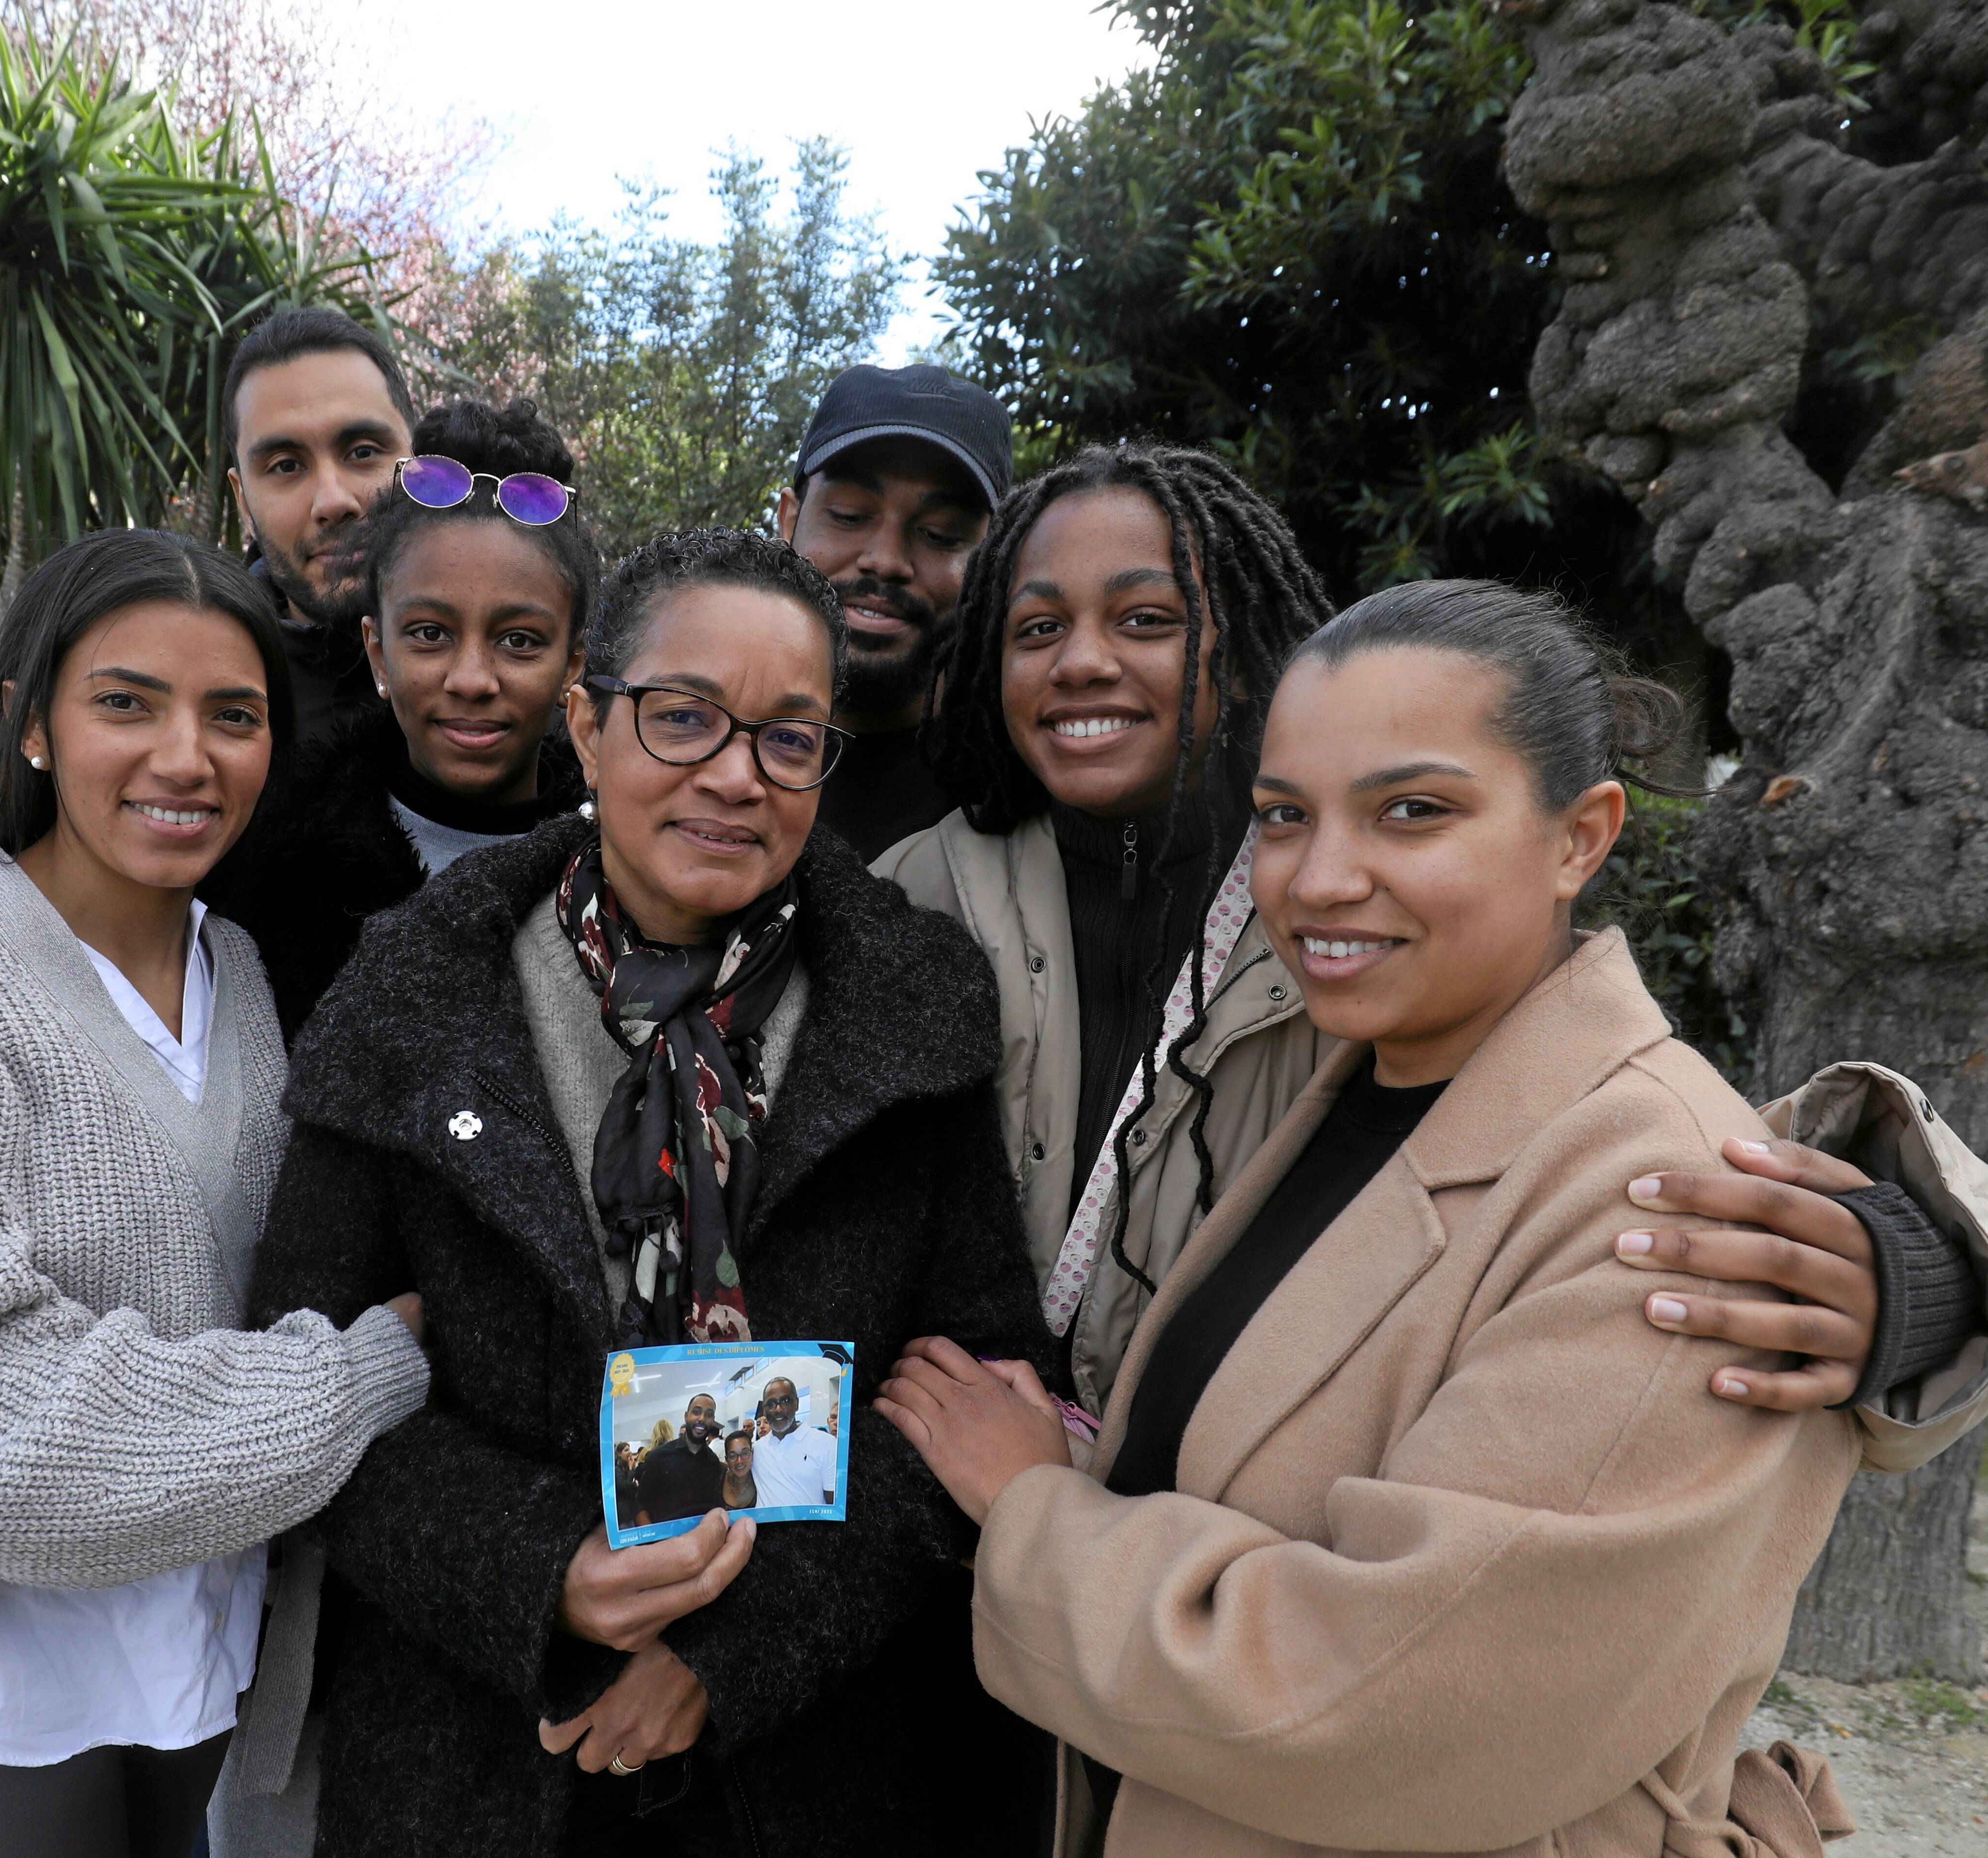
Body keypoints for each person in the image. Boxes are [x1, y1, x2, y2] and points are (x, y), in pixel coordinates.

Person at [875, 581, 1895, 1856]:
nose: (1321, 878)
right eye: (1285, 818)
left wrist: (1037, 1510)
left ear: (1582, 836)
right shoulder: (1368, 1085)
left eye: (1413, 810)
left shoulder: (1670, 1208)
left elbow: (1379, 1704)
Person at [878, 440, 1988, 1448]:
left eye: (1146, 619)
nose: (1081, 661)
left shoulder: (1352, 908)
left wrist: (1916, 1270)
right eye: (1036, 629)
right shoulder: (914, 888)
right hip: (937, 1495)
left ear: (1247, 638)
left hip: (1214, 1528)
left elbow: (1600, 1116)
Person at [243, 527, 1051, 1856]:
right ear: (589, 723)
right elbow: (300, 1382)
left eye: (790, 738)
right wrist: (542, 1571)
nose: (736, 775)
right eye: (683, 719)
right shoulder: (409, 997)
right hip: (477, 1748)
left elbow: (976, 1382)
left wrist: (732, 1644)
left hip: (815, 1757)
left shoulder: (911, 1005)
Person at [0, 530, 431, 1858]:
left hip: (193, 1601)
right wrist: (362, 1376)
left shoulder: (249, 985)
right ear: (29, 722)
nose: (185, 756)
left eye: (235, 715)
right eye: (126, 702)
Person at [205, 397, 598, 1039]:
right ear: (379, 654)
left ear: (572, 666)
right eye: (429, 634)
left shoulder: (631, 873)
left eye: (520, 641)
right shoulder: (275, 879)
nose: (471, 679)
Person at [775, 363, 1012, 862]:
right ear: (788, 521)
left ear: (992, 561)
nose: (884, 559)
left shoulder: (1018, 794)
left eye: (941, 533)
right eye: (849, 516)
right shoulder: (681, 737)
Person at [223, 305, 418, 743]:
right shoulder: (203, 693)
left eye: (364, 452)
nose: (333, 501)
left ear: (419, 461)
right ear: (243, 500)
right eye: (286, 465)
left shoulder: (534, 673)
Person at [633, 1395, 729, 1525]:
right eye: (697, 1412)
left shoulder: (713, 1462)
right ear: (686, 1416)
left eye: (709, 1415)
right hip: (667, 1540)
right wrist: (652, 1538)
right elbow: (640, 1503)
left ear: (713, 1421)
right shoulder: (659, 1457)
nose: (702, 1419)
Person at [747, 1377, 837, 1509]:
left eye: (785, 1401)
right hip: (766, 1528)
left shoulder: (827, 1444)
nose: (778, 1409)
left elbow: (833, 1504)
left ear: (797, 1404)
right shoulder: (757, 1450)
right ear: (765, 1411)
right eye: (771, 1404)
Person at [720, 1433, 759, 1512]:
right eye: (733, 1456)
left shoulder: (760, 1482)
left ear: (752, 1454)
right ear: (727, 1459)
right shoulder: (718, 1480)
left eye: (745, 1453)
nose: (739, 1461)